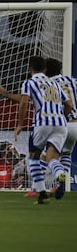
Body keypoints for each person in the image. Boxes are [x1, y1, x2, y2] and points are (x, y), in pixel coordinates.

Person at [15, 56, 72, 204]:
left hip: (43, 122)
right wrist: (61, 117)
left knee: (33, 156)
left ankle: (41, 194)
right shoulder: (55, 83)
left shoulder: (30, 82)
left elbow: (23, 103)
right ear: (45, 69)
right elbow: (69, 105)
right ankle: (60, 174)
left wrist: (20, 124)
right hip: (61, 124)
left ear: (30, 69)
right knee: (52, 158)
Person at [45, 58, 77, 191]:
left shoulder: (47, 85)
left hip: (61, 125)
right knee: (66, 154)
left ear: (45, 70)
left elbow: (67, 105)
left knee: (49, 157)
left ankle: (56, 177)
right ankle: (60, 186)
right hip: (76, 125)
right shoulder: (74, 81)